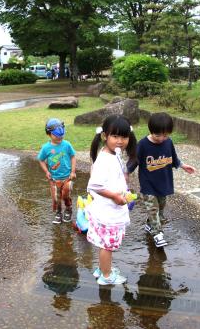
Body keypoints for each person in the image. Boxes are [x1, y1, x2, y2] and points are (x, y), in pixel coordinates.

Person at [128, 112, 195, 247]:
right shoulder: (143, 144)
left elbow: (173, 158)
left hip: (163, 182)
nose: (161, 138)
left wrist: (182, 165)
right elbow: (134, 160)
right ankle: (157, 233)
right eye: (157, 135)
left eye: (165, 135)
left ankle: (149, 224)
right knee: (153, 209)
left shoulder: (168, 142)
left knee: (161, 207)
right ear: (151, 131)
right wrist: (125, 173)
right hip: (148, 185)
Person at [86, 115, 137, 285]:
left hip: (108, 209)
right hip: (109, 212)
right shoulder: (105, 160)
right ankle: (106, 276)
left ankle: (103, 269)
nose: (120, 141)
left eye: (124, 137)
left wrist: (124, 190)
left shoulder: (112, 153)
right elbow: (95, 185)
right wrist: (115, 196)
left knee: (105, 244)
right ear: (105, 136)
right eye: (115, 136)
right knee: (107, 246)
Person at [37, 118, 76, 224]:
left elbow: (73, 157)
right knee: (56, 198)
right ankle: (58, 213)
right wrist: (46, 171)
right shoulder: (46, 148)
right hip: (54, 178)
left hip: (67, 177)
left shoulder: (67, 144)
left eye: (62, 136)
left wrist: (73, 171)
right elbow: (40, 160)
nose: (60, 138)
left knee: (65, 195)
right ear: (49, 134)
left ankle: (68, 209)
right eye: (57, 136)